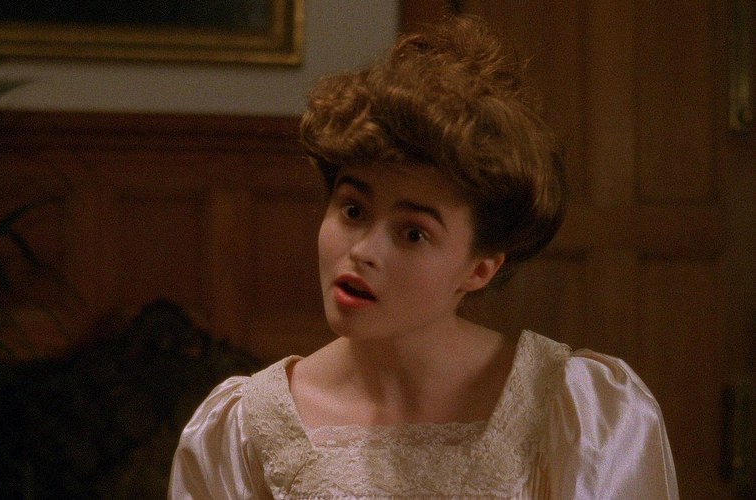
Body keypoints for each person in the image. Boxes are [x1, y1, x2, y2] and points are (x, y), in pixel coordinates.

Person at [168, 15, 678, 499]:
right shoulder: (242, 430)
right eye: (353, 210)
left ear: (480, 268)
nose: (362, 251)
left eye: (413, 234)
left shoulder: (580, 413)